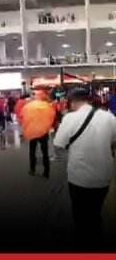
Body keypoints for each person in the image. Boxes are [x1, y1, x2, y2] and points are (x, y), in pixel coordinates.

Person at [53, 88, 116, 248]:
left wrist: (68, 160)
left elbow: (58, 145)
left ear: (72, 102)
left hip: (79, 177)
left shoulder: (70, 118)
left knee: (80, 216)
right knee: (95, 212)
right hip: (104, 176)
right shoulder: (109, 117)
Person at [22, 91, 55, 178]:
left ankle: (32, 170)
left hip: (32, 131)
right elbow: (52, 116)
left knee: (32, 151)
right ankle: (46, 172)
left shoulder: (28, 106)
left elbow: (23, 117)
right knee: (45, 152)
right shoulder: (47, 106)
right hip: (43, 132)